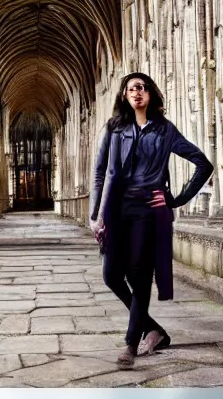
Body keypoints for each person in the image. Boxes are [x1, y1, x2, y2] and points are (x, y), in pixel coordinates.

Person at [88, 73, 214, 369]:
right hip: (117, 210)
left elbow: (203, 164)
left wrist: (174, 199)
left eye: (143, 87)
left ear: (151, 94)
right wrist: (95, 215)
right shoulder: (114, 129)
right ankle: (153, 329)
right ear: (124, 95)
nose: (138, 92)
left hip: (148, 210)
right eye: (132, 88)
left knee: (140, 275)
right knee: (111, 276)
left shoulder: (165, 130)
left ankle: (130, 344)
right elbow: (99, 173)